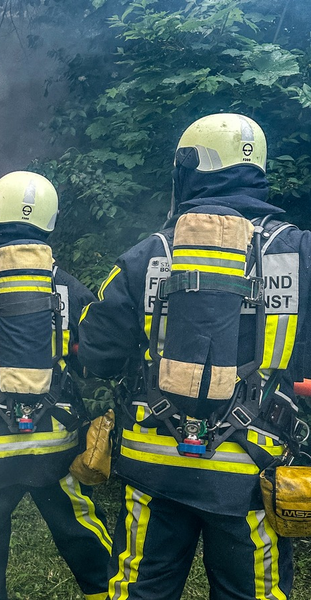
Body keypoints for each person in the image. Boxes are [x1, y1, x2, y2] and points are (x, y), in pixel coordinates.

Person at [79, 113, 311, 600]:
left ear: (190, 168)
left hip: (154, 467)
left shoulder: (149, 253)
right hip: (252, 473)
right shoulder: (300, 253)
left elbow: (97, 352)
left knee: (140, 591)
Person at [0, 171, 112, 600]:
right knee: (82, 531)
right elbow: (92, 358)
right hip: (55, 445)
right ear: (49, 222)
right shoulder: (69, 289)